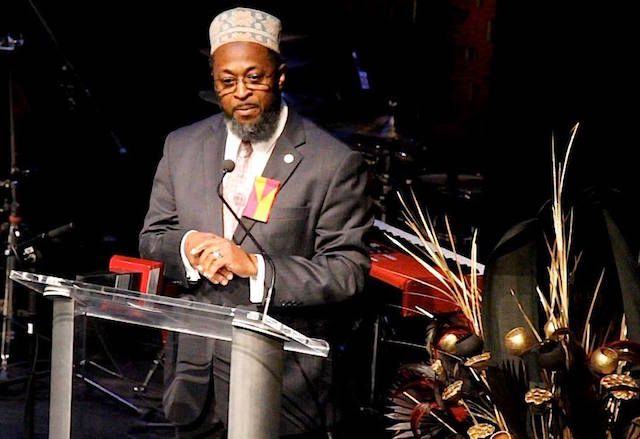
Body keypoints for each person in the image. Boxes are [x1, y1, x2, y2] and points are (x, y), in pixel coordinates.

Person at [139, 6, 372, 438]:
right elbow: (153, 238)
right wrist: (188, 248)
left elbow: (347, 272)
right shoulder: (181, 146)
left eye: (255, 78)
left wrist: (256, 267)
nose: (241, 92)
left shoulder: (332, 162)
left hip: (281, 382)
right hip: (195, 382)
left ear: (279, 77)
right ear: (214, 83)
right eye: (227, 82)